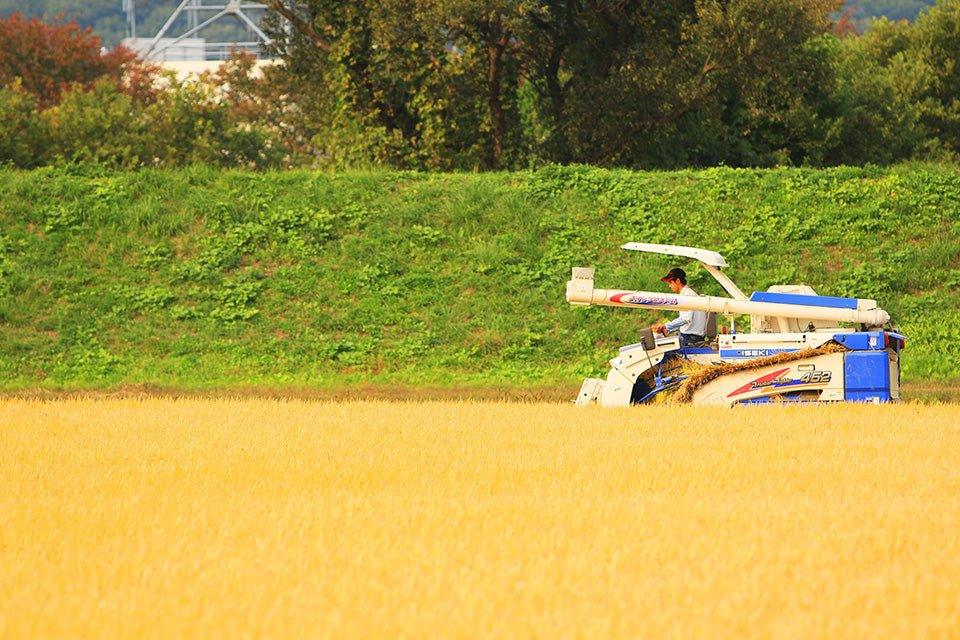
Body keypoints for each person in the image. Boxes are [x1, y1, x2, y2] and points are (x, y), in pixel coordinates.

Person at [650, 267, 708, 346]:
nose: (669, 286)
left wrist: (666, 326)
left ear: (677, 281)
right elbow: (685, 321)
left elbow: (685, 319)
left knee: (660, 346)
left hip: (690, 339)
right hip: (690, 336)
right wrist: (667, 329)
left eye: (670, 283)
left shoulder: (687, 296)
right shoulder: (688, 294)